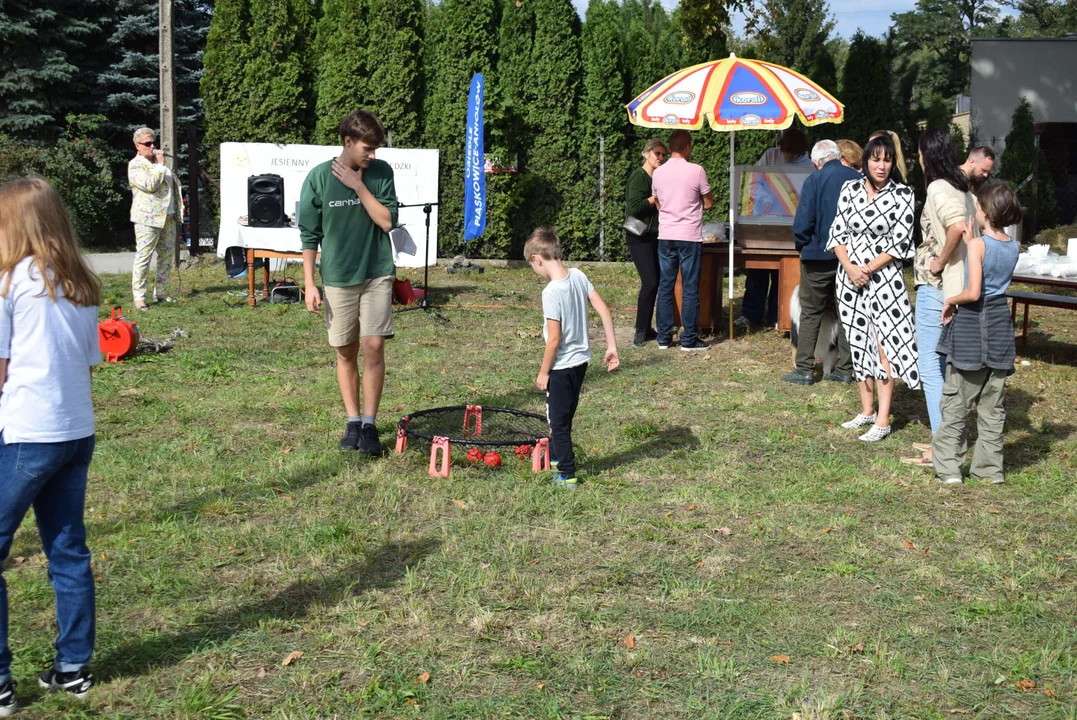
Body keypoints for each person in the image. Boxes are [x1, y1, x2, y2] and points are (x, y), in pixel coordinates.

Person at [0, 177, 103, 713]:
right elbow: (89, 359)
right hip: (74, 432)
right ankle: (72, 667)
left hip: (25, 433)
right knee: (67, 549)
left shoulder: (8, 283)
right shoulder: (81, 282)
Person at [300, 110, 398, 455]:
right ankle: (353, 421)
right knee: (345, 351)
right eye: (367, 149)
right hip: (338, 278)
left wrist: (357, 185)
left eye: (376, 149)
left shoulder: (380, 173)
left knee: (373, 347)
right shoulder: (318, 178)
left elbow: (387, 222)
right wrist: (310, 284)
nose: (373, 156)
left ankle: (370, 425)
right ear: (348, 141)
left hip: (376, 272)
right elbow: (309, 235)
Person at [827, 134, 920, 442]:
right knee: (856, 340)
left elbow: (901, 242)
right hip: (849, 278)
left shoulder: (903, 194)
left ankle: (883, 417)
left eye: (887, 160)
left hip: (885, 281)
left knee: (884, 347)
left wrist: (866, 268)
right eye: (876, 159)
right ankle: (866, 410)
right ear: (865, 160)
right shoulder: (849, 188)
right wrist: (850, 268)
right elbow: (837, 231)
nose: (881, 166)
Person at [931, 183, 1023, 484]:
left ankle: (948, 470)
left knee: (956, 403)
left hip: (972, 329)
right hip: (999, 330)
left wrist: (950, 299)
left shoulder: (978, 246)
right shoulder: (1013, 246)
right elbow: (992, 269)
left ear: (984, 211)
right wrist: (973, 242)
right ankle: (989, 471)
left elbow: (972, 292)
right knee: (992, 408)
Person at [904, 129, 977, 466]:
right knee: (948, 367)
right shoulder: (963, 187)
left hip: (937, 287)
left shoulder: (938, 187)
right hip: (958, 286)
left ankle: (942, 447)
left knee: (930, 368)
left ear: (926, 155)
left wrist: (940, 260)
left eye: (919, 153)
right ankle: (949, 439)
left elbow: (958, 228)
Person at [526, 228, 619, 489]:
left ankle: (567, 474)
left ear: (537, 259)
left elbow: (553, 339)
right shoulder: (578, 275)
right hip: (581, 363)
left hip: (561, 367)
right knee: (563, 414)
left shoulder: (551, 291)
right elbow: (604, 309)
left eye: (533, 267)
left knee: (558, 421)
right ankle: (555, 458)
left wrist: (544, 372)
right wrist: (611, 346)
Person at [783, 140, 861, 385]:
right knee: (846, 312)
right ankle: (845, 369)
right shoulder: (857, 179)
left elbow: (803, 221)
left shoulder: (814, 180)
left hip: (818, 256)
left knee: (811, 312)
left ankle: (804, 368)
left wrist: (802, 245)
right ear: (838, 156)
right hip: (850, 258)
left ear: (817, 161)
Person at [737, 127, 813, 329]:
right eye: (785, 151)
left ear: (801, 151)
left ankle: (776, 316)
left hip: (791, 224)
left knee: (783, 274)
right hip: (764, 220)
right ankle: (750, 314)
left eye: (792, 153)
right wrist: (765, 197)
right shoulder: (770, 156)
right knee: (757, 271)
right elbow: (752, 182)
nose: (787, 155)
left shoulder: (809, 166)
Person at [652, 129, 714, 351]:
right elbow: (708, 203)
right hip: (689, 236)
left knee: (665, 286)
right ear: (688, 147)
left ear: (669, 149)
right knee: (689, 288)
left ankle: (664, 337)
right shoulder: (696, 170)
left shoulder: (658, 172)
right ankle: (689, 339)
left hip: (666, 234)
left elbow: (657, 201)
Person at [128, 127, 184, 312]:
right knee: (144, 257)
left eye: (153, 142)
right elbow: (150, 185)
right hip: (147, 218)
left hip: (167, 217)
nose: (152, 146)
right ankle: (139, 297)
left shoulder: (159, 164)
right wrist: (160, 165)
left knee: (166, 256)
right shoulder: (136, 165)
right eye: (147, 144)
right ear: (138, 146)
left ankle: (161, 292)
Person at [624, 138, 667, 346]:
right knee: (650, 281)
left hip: (654, 237)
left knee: (655, 281)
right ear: (646, 154)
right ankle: (640, 330)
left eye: (663, 154)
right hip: (639, 237)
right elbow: (633, 207)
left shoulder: (658, 177)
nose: (660, 158)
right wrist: (654, 198)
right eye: (657, 153)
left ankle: (647, 327)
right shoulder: (639, 177)